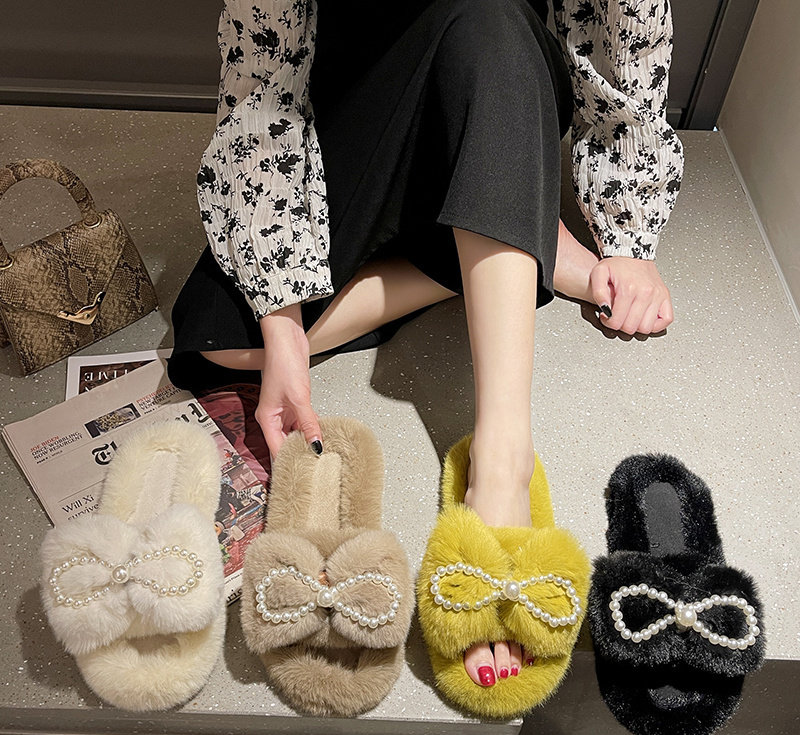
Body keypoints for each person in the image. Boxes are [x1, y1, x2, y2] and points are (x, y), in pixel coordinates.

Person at [169, 0, 684, 688]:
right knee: (223, 343)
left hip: (499, 86)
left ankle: (502, 463)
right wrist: (283, 328)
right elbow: (262, 87)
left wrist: (628, 231)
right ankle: (505, 241)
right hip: (364, 104)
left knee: (487, 15)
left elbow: (625, 26)